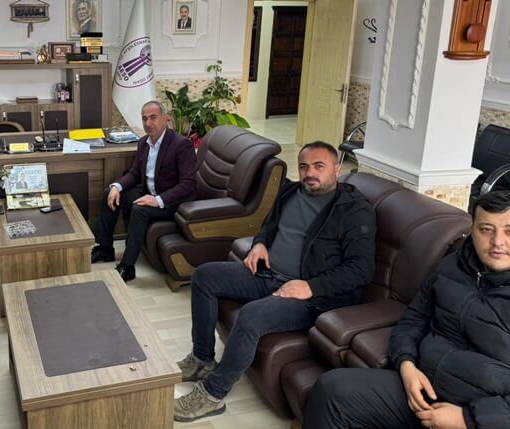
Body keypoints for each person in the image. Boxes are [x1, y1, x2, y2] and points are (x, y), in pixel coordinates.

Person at [174, 141, 377, 422]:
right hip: (267, 274)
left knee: (251, 316)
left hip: (310, 297)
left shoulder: (354, 211)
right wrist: (259, 244)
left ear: (337, 168)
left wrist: (310, 287)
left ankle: (213, 394)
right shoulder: (290, 191)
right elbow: (269, 225)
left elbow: (362, 269)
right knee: (204, 276)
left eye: (319, 166)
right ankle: (202, 359)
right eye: (304, 166)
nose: (310, 173)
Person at [303, 191, 510, 429]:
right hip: (421, 390)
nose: (497, 242)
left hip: (483, 413)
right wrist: (406, 364)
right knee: (332, 391)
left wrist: (467, 419)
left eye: (509, 231)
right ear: (472, 230)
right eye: (486, 229)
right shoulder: (453, 266)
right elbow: (414, 318)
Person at [91, 100, 197, 282]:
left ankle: (127, 267)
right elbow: (134, 173)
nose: (148, 123)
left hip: (171, 202)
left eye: (153, 118)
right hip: (148, 193)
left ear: (165, 118)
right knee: (110, 193)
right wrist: (117, 186)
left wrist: (158, 200)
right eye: (144, 119)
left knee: (139, 210)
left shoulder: (181, 145)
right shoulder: (143, 143)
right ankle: (105, 248)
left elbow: (188, 184)